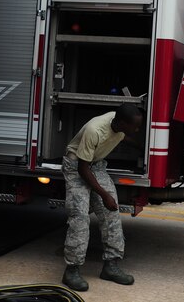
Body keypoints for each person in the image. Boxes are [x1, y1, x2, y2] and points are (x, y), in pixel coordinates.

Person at [61, 103, 143, 292]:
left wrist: (140, 147)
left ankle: (110, 266)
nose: (137, 129)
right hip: (76, 167)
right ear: (121, 122)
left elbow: (123, 137)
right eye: (134, 126)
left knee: (111, 213)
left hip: (96, 165)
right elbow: (82, 168)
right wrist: (104, 195)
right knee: (79, 218)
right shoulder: (94, 130)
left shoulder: (120, 124)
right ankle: (71, 271)